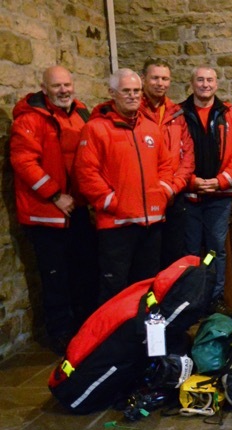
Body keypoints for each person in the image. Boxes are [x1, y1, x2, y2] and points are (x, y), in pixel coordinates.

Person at [10, 66, 98, 354]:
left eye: (67, 84)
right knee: (55, 276)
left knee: (84, 271)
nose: (64, 90)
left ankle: (85, 331)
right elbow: (24, 163)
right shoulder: (30, 119)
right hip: (46, 213)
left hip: (78, 208)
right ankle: (60, 334)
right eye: (57, 85)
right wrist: (55, 195)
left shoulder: (80, 113)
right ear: (44, 87)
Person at [74, 68, 174, 302]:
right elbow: (86, 173)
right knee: (115, 287)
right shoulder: (96, 128)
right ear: (112, 93)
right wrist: (110, 201)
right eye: (126, 91)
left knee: (148, 286)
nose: (132, 96)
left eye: (137, 91)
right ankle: (116, 337)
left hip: (151, 223)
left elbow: (166, 164)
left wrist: (164, 192)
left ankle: (145, 334)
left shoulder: (150, 128)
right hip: (116, 225)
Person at [181, 66, 232, 315]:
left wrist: (222, 180)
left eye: (209, 80)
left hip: (219, 197)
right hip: (189, 195)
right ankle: (191, 300)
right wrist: (190, 181)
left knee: (215, 250)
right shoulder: (180, 113)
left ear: (216, 84)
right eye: (200, 79)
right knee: (190, 251)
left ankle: (215, 298)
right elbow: (171, 153)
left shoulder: (228, 113)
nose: (205, 84)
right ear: (192, 83)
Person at [139, 58, 195, 267]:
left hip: (174, 194)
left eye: (164, 78)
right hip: (144, 196)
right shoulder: (135, 111)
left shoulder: (175, 112)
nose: (160, 83)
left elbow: (187, 155)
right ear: (143, 79)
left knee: (173, 255)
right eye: (155, 78)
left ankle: (170, 298)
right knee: (147, 259)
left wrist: (174, 187)